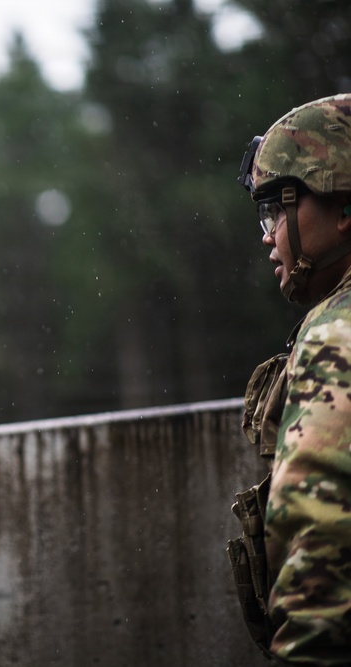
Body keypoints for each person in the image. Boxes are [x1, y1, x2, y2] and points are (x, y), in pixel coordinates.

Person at [232, 94, 351, 664]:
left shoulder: (338, 333)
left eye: (275, 210)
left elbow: (322, 544)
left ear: (342, 205)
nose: (268, 236)